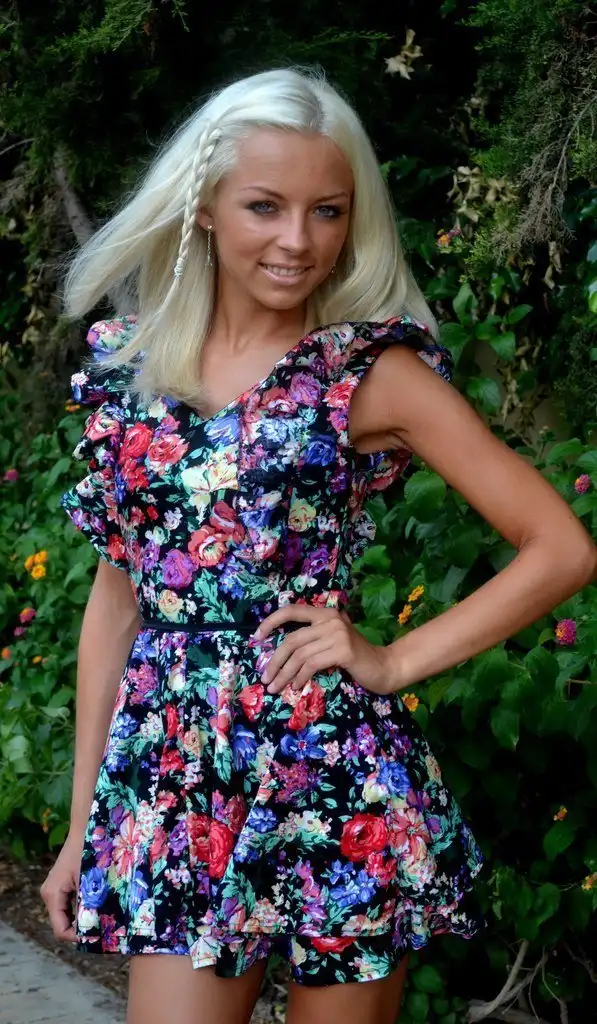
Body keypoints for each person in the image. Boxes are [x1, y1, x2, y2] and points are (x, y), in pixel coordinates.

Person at [40, 66, 597, 1024]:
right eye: (264, 206)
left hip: (328, 770)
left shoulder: (366, 373)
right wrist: (86, 824)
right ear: (204, 205)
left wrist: (393, 660)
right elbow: (118, 601)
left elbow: (559, 545)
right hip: (174, 786)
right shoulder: (132, 368)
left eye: (326, 211)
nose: (297, 240)